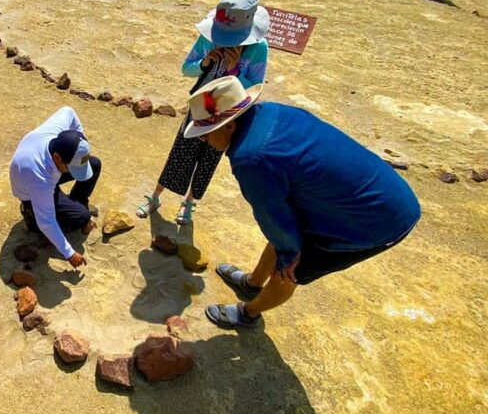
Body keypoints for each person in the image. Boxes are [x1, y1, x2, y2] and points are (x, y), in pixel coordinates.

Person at [179, 76, 421, 329]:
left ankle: (248, 313)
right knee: (284, 234)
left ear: (229, 126)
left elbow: (272, 215)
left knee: (290, 268)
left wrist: (289, 253)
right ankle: (252, 283)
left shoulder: (251, 157)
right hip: (378, 191)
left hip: (374, 220)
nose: (204, 140)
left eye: (206, 133)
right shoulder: (272, 111)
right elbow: (278, 220)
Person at [136, 0, 269, 225]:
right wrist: (205, 62)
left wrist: (234, 68)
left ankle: (189, 203)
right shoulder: (208, 37)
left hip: (229, 114)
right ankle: (156, 196)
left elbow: (255, 86)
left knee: (209, 159)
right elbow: (186, 68)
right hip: (201, 106)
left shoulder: (258, 48)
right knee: (180, 151)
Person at [9, 107, 100, 267]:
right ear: (57, 157)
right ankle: (31, 217)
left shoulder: (57, 135)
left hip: (49, 174)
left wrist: (81, 144)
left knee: (94, 164)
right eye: (72, 168)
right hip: (32, 192)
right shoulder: (39, 177)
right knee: (82, 217)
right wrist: (69, 253)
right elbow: (47, 221)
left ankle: (77, 201)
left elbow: (69, 111)